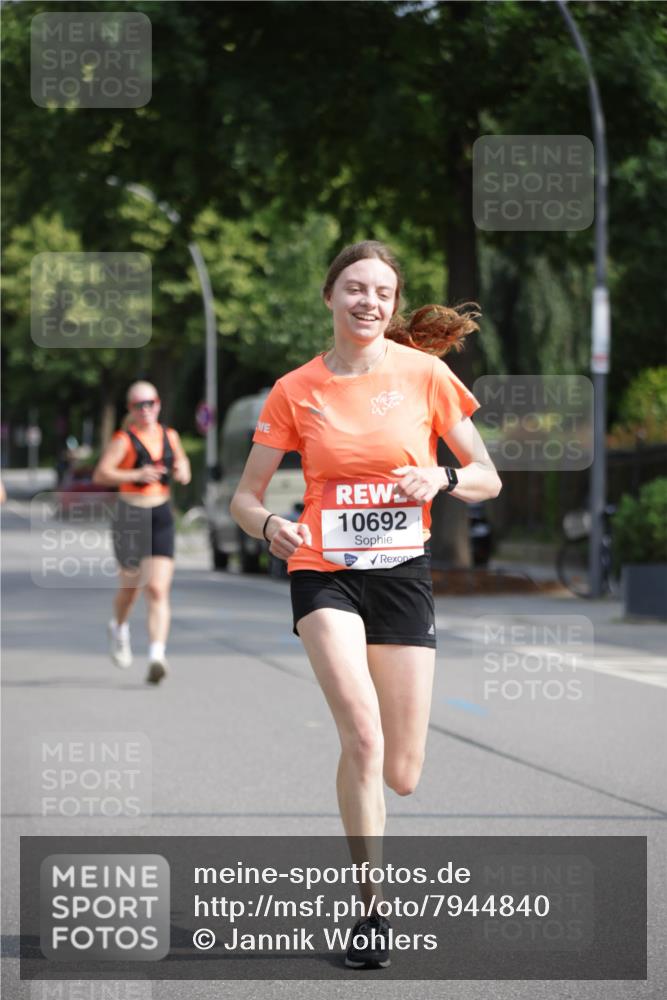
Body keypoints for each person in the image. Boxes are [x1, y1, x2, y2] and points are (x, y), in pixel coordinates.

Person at [230, 240, 502, 969]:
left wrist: (439, 479)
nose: (367, 302)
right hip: (323, 572)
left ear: (391, 303)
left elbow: (486, 476)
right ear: (329, 297)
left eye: (380, 292)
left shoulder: (425, 374)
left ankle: (376, 817)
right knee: (363, 737)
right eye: (354, 288)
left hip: (401, 575)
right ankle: (371, 912)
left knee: (402, 771)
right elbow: (243, 496)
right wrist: (268, 526)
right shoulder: (295, 389)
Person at [93, 381, 191, 684]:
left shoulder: (169, 436)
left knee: (158, 589)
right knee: (131, 589)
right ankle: (119, 628)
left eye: (150, 403)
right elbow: (101, 474)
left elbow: (184, 466)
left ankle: (156, 655)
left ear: (158, 404)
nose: (145, 409)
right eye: (139, 405)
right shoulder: (123, 439)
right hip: (130, 515)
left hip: (161, 513)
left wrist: (182, 471)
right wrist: (136, 474)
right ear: (131, 410)